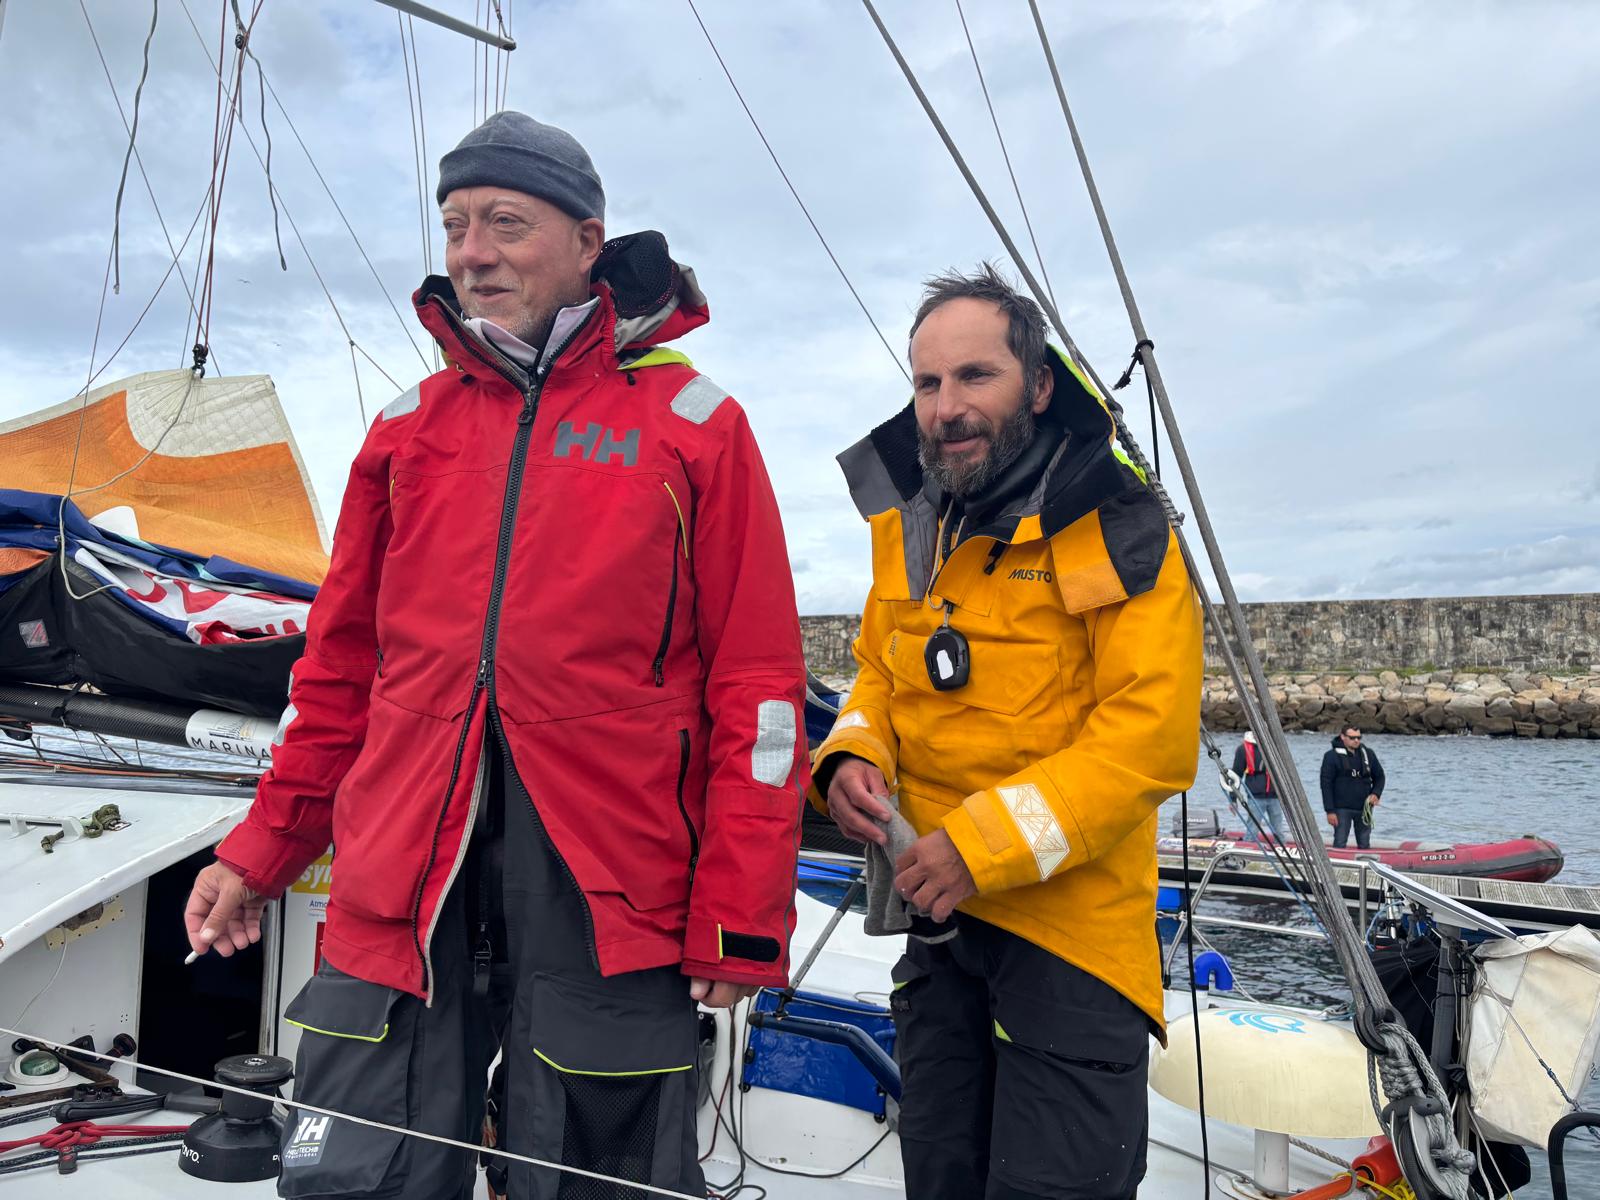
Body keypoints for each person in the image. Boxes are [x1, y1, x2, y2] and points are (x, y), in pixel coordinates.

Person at [182, 112, 809, 1199]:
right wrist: (257, 853)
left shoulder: (697, 426)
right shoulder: (405, 428)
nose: (473, 252)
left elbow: (757, 698)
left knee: (589, 1178)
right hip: (401, 874)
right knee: (357, 1174)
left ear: (585, 240)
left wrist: (740, 916)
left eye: (506, 224)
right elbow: (335, 677)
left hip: (610, 885)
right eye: (457, 225)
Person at [810, 264, 1202, 1199]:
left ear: (1037, 384)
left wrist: (979, 848)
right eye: (928, 383)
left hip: (1072, 946)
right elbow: (877, 674)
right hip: (940, 931)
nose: (947, 407)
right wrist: (854, 751)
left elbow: (1148, 739)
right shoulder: (910, 523)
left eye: (974, 377)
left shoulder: (1119, 527)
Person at [1320, 724, 1385, 849]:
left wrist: (1376, 793)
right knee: (1340, 841)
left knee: (1364, 843)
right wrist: (1329, 811)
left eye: (1359, 737)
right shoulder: (1331, 756)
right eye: (1352, 738)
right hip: (1341, 809)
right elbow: (1326, 785)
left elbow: (1380, 777)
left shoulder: (1368, 754)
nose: (1356, 740)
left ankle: (1365, 864)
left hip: (1364, 807)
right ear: (1343, 737)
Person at [1233, 729, 1290, 845]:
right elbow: (1235, 775)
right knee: (1252, 828)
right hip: (1255, 796)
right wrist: (1233, 798)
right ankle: (1248, 847)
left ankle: (1281, 849)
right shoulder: (1243, 749)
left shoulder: (1275, 747)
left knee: (1278, 829)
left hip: (1275, 796)